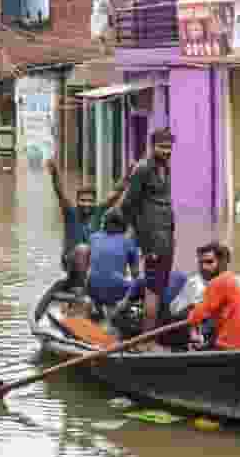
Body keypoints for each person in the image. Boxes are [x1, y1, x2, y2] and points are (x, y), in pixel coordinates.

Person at [113, 129, 175, 333]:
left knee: (159, 287)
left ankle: (155, 332)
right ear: (152, 146)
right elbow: (127, 205)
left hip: (166, 237)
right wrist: (143, 239)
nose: (166, 151)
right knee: (152, 290)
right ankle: (147, 339)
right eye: (162, 147)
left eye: (169, 147)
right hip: (153, 241)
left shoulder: (164, 167)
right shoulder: (143, 169)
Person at [47, 158, 127, 289]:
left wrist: (128, 176)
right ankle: (84, 289)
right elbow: (60, 193)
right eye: (83, 200)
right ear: (77, 201)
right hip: (71, 260)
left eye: (90, 201)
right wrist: (55, 173)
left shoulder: (99, 212)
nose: (86, 204)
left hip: (93, 261)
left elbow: (115, 195)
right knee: (83, 249)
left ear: (94, 202)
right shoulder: (70, 213)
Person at [185, 242, 240, 350]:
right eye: (200, 263)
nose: (203, 267)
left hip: (230, 345)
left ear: (222, 263)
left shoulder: (217, 283)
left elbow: (197, 315)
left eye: (209, 262)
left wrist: (190, 319)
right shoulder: (234, 280)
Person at [87, 211, 139, 311]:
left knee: (98, 276)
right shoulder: (128, 242)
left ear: (104, 225)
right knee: (140, 285)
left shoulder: (93, 237)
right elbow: (135, 274)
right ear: (122, 226)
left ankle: (96, 306)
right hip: (116, 291)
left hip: (92, 289)